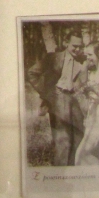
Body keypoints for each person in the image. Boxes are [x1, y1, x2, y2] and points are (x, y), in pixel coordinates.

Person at [26, 32, 86, 166]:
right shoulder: (53, 58)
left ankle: (74, 172)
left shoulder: (83, 60)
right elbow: (32, 73)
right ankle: (60, 174)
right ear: (66, 43)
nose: (77, 49)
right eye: (74, 46)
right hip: (58, 101)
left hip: (76, 102)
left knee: (78, 140)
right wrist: (47, 93)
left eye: (80, 46)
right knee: (62, 142)